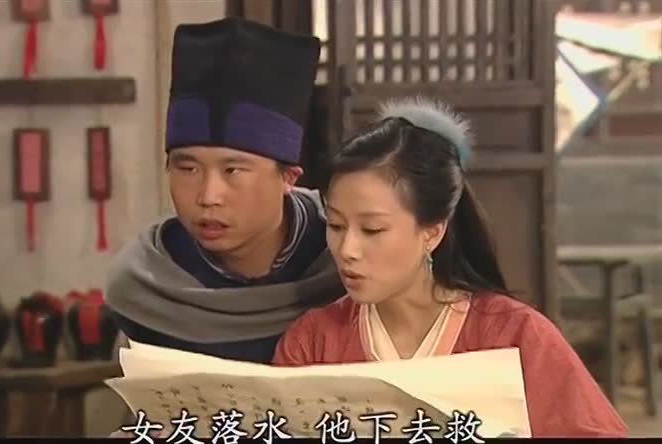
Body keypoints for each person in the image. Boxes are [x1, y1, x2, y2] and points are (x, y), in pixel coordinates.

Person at [271, 96, 629, 437]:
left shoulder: (514, 337)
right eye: (336, 225)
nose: (347, 249)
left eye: (372, 229)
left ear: (432, 232)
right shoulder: (313, 342)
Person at [104, 17, 345, 364]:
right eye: (188, 169)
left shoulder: (343, 260)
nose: (208, 196)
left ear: (289, 177)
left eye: (233, 170)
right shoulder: (146, 285)